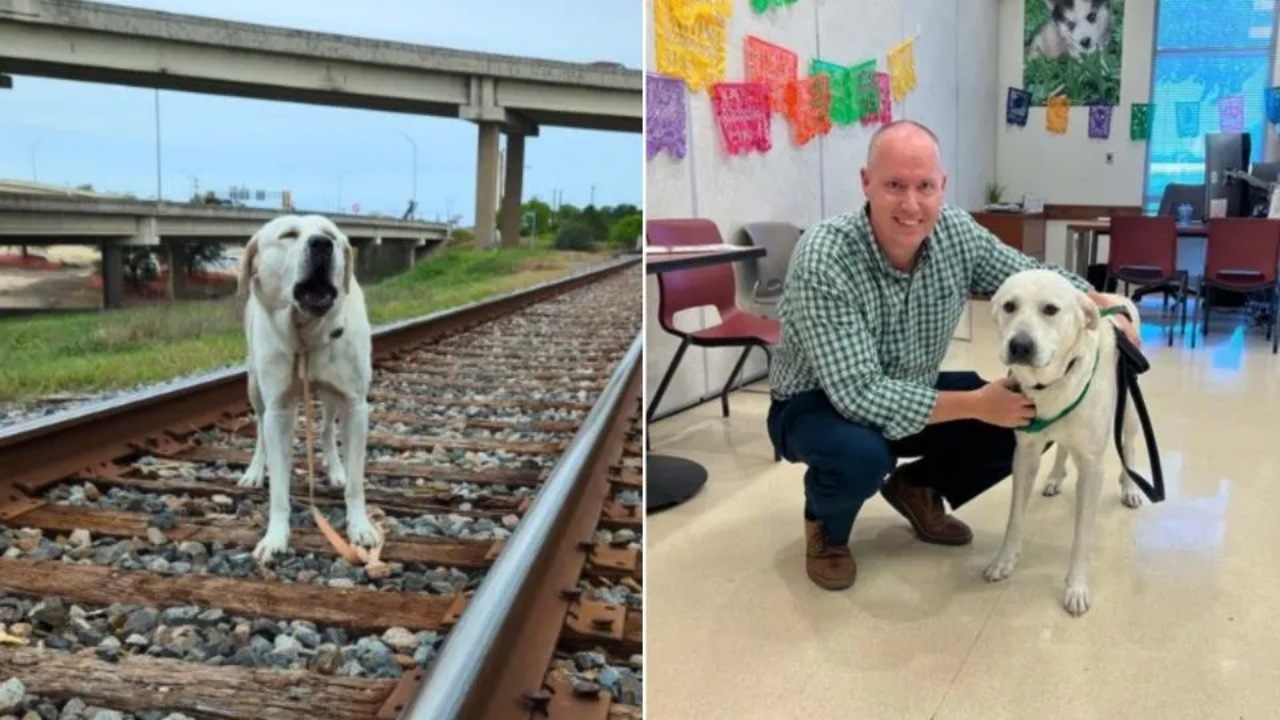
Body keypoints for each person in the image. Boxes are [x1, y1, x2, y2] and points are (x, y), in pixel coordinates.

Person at [765, 119, 1139, 591]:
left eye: (924, 186)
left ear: (942, 186)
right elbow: (857, 394)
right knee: (862, 453)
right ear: (866, 183)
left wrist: (1100, 302)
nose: (911, 204)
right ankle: (826, 529)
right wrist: (978, 405)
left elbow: (1029, 273)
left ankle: (917, 489)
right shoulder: (824, 255)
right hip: (816, 404)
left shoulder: (955, 233)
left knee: (1024, 422)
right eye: (894, 185)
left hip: (911, 388)